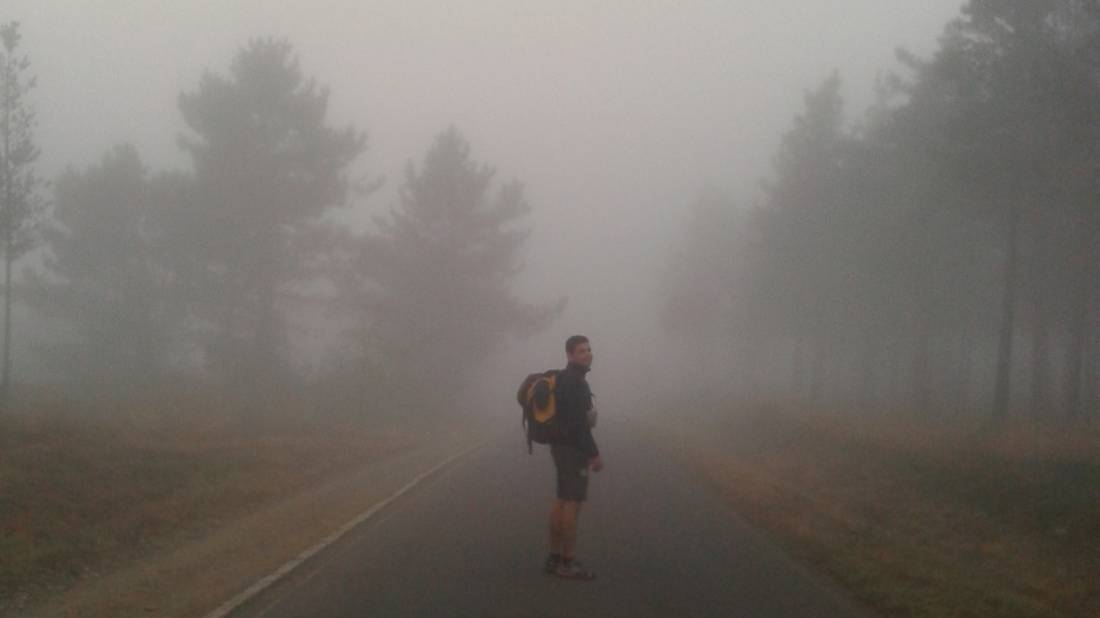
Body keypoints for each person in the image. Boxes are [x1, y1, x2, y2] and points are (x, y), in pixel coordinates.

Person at [545, 335, 603, 580]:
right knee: (572, 503)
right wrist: (594, 454)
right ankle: (566, 563)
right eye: (581, 350)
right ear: (569, 354)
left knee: (561, 500)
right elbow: (580, 425)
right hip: (573, 450)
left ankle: (554, 558)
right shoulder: (575, 382)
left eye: (589, 349)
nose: (587, 353)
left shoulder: (565, 380)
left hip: (560, 447)